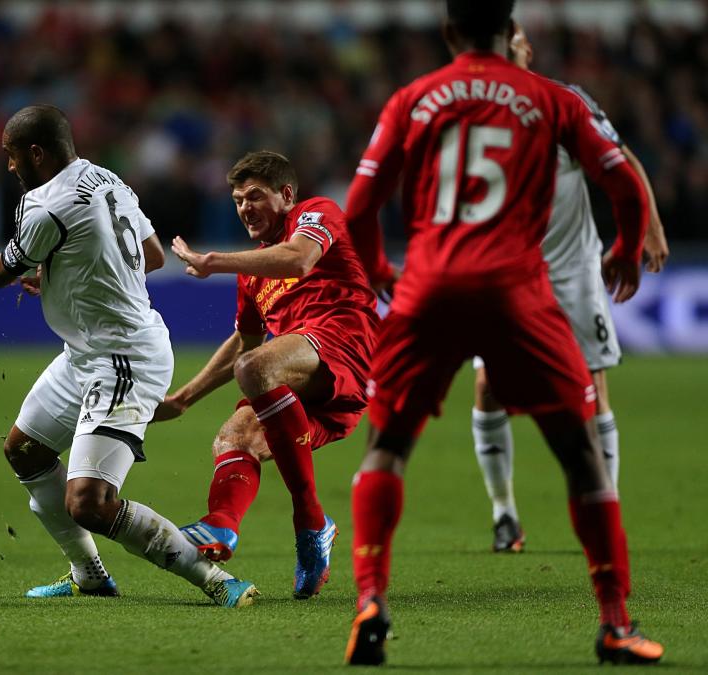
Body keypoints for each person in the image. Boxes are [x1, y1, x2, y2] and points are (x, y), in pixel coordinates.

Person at [342, 0, 663, 666]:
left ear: (451, 31)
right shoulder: (551, 98)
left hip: (429, 286)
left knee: (387, 446)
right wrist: (628, 248)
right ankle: (614, 621)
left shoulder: (413, 98)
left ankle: (370, 596)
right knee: (581, 455)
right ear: (509, 29)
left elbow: (360, 205)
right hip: (519, 288)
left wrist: (378, 269)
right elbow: (623, 179)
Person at [0, 104, 258, 608]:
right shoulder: (108, 179)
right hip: (87, 352)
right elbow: (150, 255)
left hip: (125, 359)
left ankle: (217, 581)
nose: (8, 166)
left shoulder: (46, 204)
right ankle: (88, 574)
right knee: (25, 449)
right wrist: (62, 275)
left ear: (36, 153)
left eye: (11, 156)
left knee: (89, 503)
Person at [471, 22, 671, 554]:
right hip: (504, 274)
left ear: (526, 50)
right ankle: (504, 514)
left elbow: (621, 157)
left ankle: (606, 507)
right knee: (489, 386)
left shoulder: (565, 102)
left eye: (510, 46)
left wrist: (647, 225)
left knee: (592, 386)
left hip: (571, 268)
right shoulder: (469, 108)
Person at [154, 150, 379, 599]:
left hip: (346, 347)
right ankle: (223, 526)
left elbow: (298, 260)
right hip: (300, 382)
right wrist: (183, 398)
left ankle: (308, 520)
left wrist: (216, 261)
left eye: (255, 196)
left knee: (256, 368)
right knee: (234, 435)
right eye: (237, 200)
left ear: (286, 194)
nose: (244, 208)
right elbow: (244, 341)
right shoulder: (253, 274)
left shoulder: (316, 213)